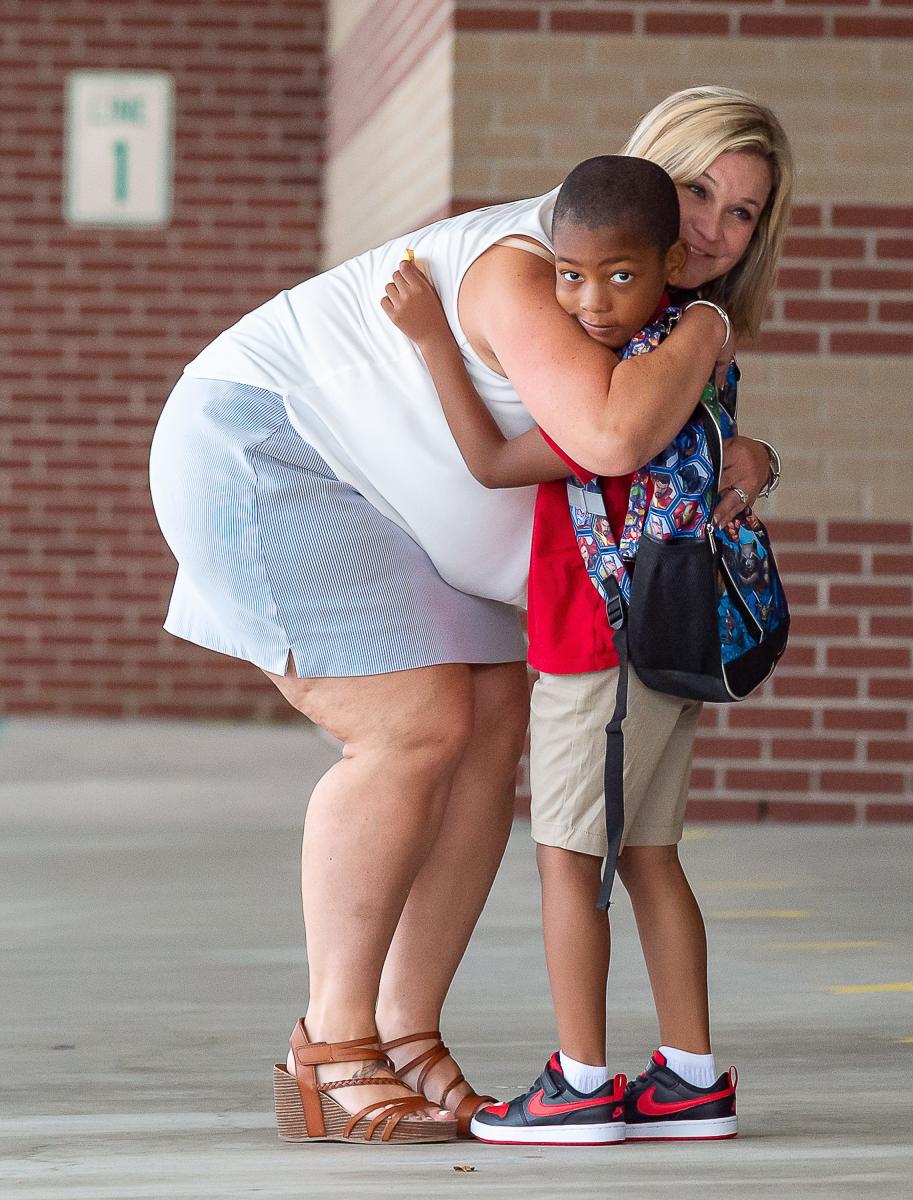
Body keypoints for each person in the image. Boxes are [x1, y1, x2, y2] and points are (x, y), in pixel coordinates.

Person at [148, 86, 790, 1144]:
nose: (714, 229)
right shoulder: (530, 269)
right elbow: (613, 437)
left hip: (395, 508)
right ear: (642, 181)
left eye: (744, 212)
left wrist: (752, 454)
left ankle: (405, 1031)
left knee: (492, 730)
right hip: (270, 447)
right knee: (414, 725)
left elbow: (664, 445)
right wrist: (714, 328)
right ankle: (332, 1045)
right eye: (695, 191)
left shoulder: (646, 316)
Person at [380, 154, 754, 1145]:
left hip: (601, 653)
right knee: (650, 857)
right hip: (669, 656)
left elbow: (496, 460)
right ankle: (687, 1078)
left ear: (671, 264)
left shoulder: (629, 392)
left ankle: (581, 1085)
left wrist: (431, 342)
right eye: (570, 275)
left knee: (565, 860)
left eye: (621, 275)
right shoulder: (685, 357)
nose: (590, 301)